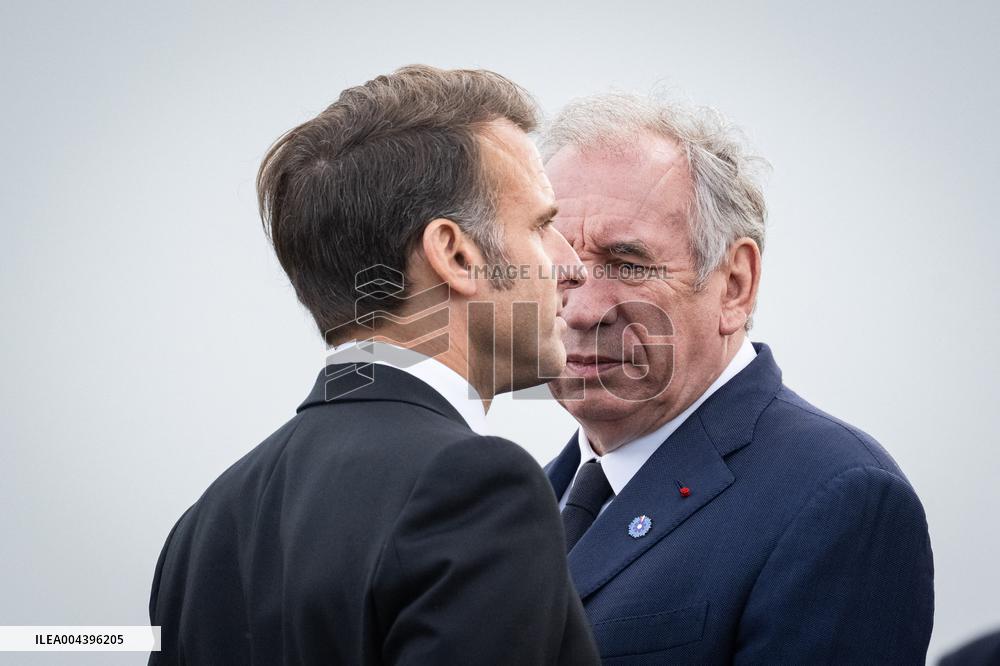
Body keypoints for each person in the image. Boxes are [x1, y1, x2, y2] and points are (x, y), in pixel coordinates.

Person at [148, 65, 599, 665]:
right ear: (456, 254)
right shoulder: (476, 486)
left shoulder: (201, 528)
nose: (571, 266)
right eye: (543, 226)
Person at [540, 92, 934, 663]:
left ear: (735, 285)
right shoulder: (529, 498)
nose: (579, 309)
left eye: (628, 264)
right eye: (560, 268)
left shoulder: (840, 498)